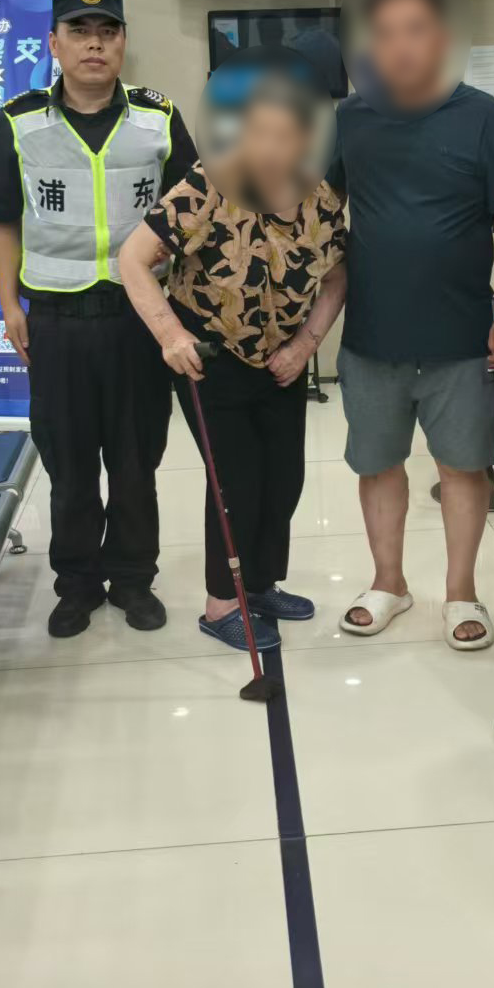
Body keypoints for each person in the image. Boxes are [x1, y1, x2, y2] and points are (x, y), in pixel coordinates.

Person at [0, 0, 197, 639]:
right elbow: (3, 220)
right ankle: (76, 583)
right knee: (68, 464)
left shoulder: (158, 118)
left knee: (135, 461)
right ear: (54, 43)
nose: (94, 44)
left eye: (107, 31)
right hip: (57, 323)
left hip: (136, 322)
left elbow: (194, 214)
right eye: (79, 31)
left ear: (123, 41)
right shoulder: (20, 120)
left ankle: (132, 578)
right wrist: (9, 304)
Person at [329, 0, 494, 649]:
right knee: (377, 464)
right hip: (371, 335)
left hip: (462, 335)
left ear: (443, 39)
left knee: (462, 468)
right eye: (384, 33)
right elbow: (318, 215)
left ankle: (461, 592)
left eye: (414, 30)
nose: (399, 46)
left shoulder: (485, 119)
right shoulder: (350, 119)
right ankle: (388, 582)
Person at [118, 65, 348, 652]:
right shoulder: (208, 184)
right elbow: (133, 259)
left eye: (286, 134)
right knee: (236, 481)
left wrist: (306, 345)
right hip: (212, 357)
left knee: (284, 478)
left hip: (283, 359)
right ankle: (222, 602)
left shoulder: (319, 195)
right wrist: (171, 336)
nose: (272, 147)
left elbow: (337, 276)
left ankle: (260, 585)